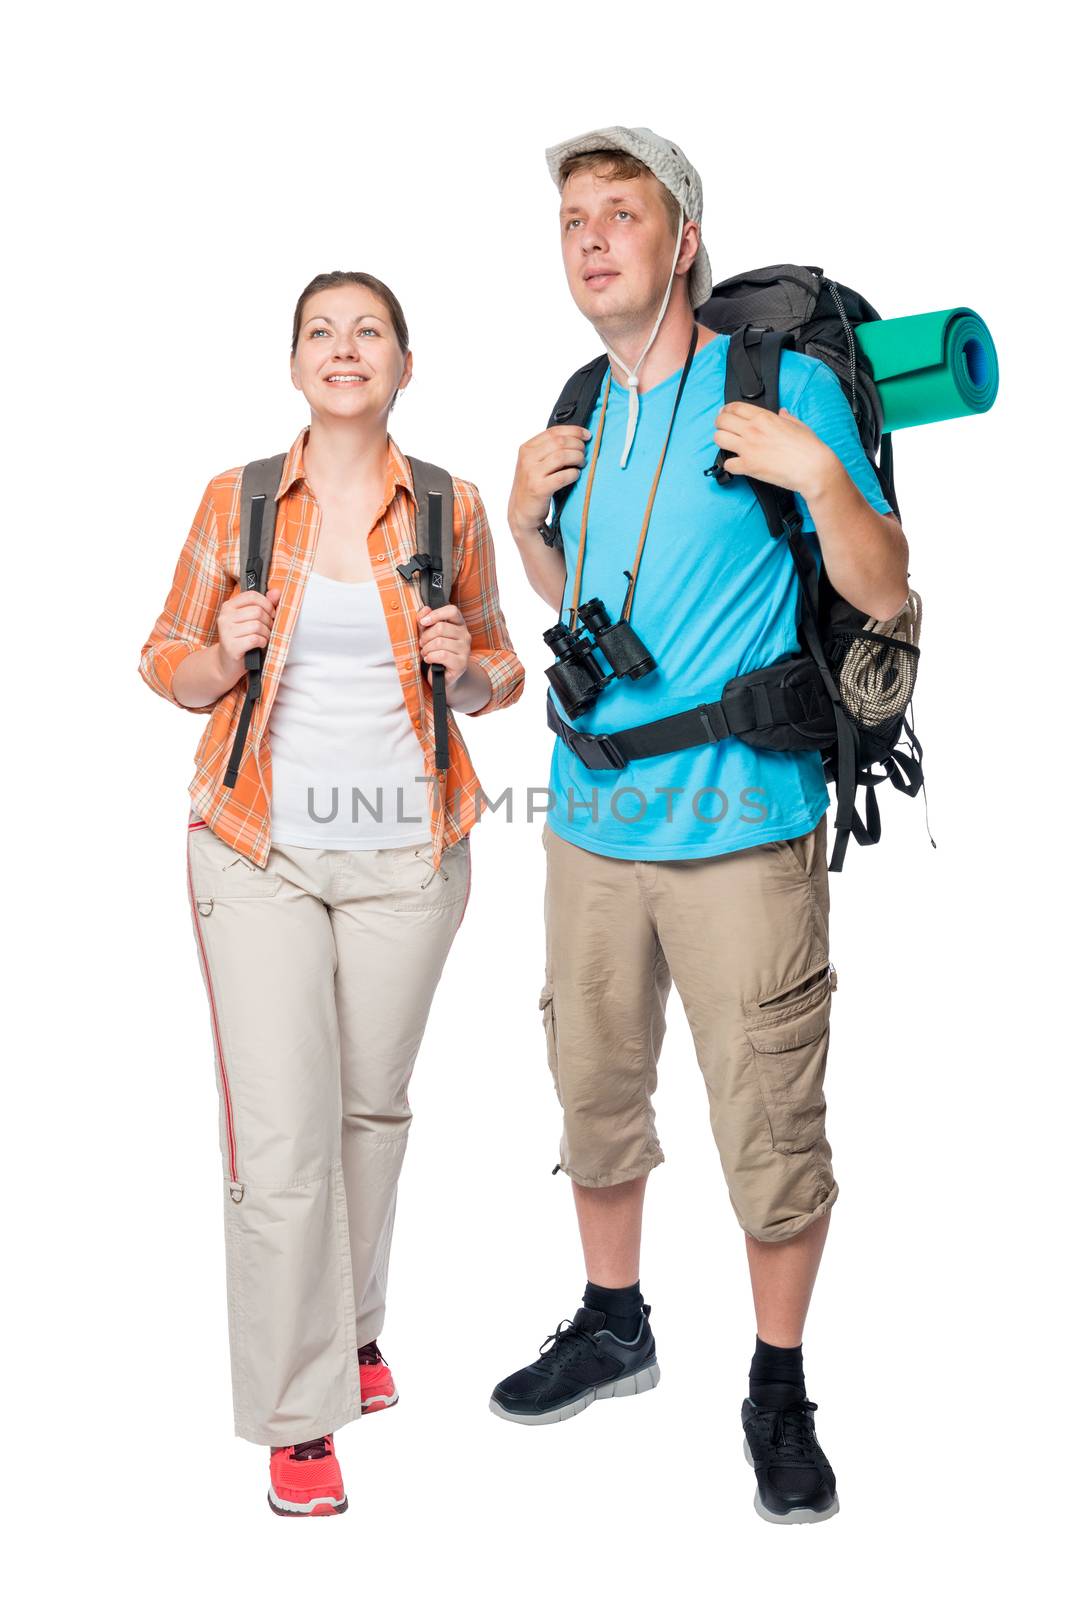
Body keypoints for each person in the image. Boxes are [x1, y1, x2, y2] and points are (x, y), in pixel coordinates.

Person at [490, 128, 908, 1525]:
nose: (594, 238)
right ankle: (616, 1324)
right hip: (592, 825)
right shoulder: (578, 408)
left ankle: (777, 1388)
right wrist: (524, 522)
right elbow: (579, 607)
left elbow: (887, 587)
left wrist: (823, 476)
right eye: (573, 219)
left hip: (742, 833)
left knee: (771, 1127)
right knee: (594, 1090)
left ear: (683, 244)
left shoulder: (779, 387)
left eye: (623, 214)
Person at [139, 270, 524, 1516]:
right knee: (286, 1133)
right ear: (294, 362)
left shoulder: (450, 508)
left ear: (405, 365)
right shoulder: (241, 500)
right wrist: (222, 652)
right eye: (322, 330)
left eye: (370, 332)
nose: (344, 348)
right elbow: (165, 660)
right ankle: (303, 1415)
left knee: (368, 1112)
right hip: (258, 849)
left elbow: (503, 677)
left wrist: (467, 665)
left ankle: (352, 1326)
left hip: (410, 853)